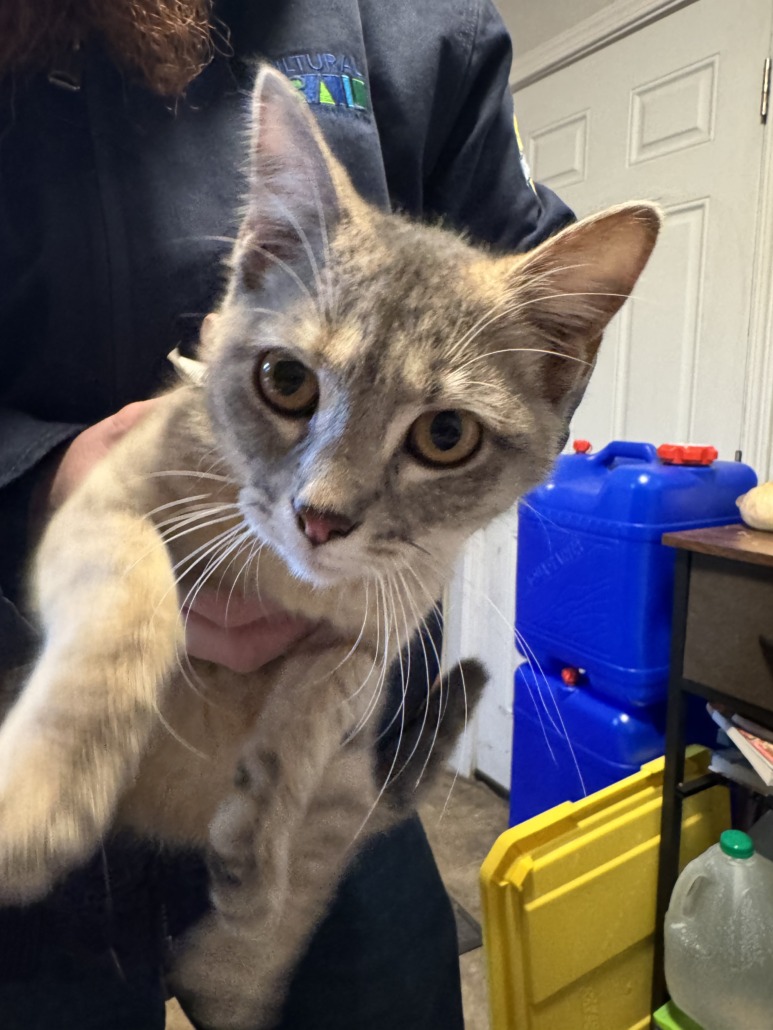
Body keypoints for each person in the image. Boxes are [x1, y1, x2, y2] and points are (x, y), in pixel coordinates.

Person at [0, 1, 573, 1027]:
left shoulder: (424, 25)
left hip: (326, 745)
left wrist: (425, 516)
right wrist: (33, 483)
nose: (323, 505)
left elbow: (534, 351)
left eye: (437, 435)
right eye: (293, 386)